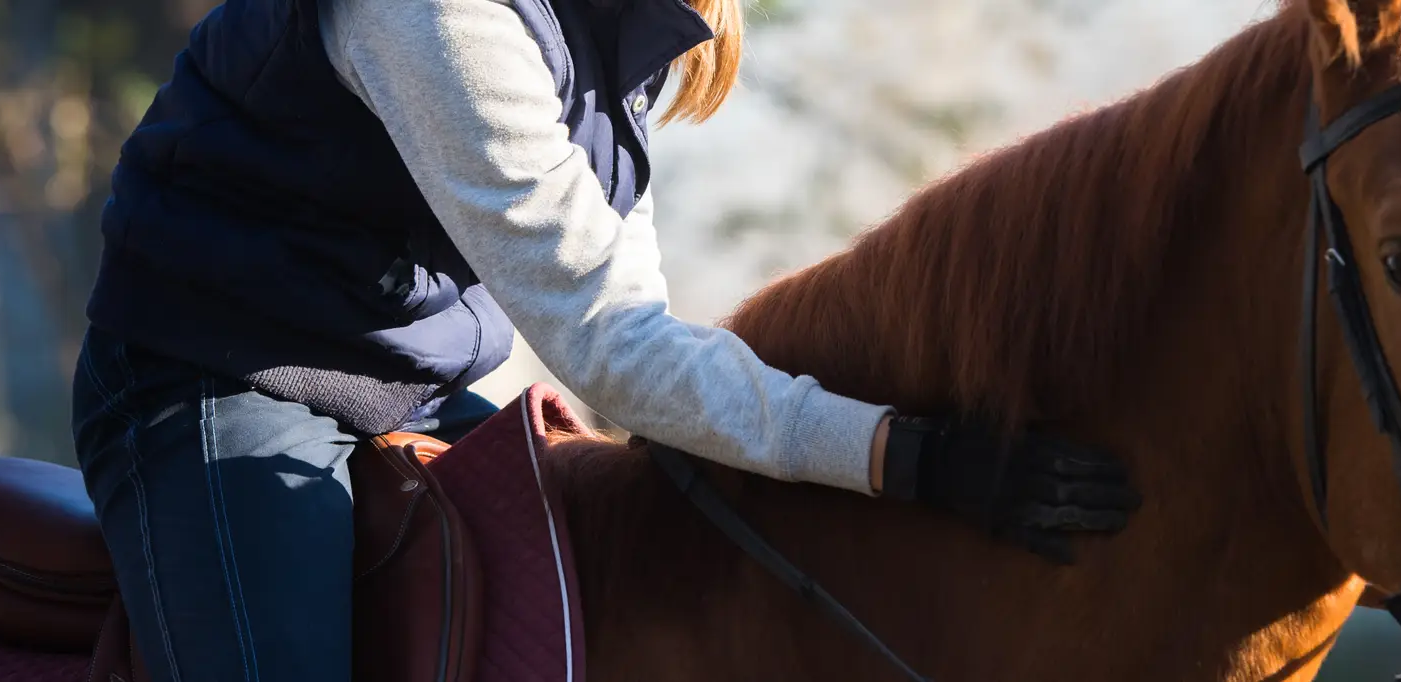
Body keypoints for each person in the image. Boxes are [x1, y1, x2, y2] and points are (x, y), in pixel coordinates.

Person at [69, 0, 1143, 679]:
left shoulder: (612, 31)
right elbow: (614, 349)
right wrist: (905, 456)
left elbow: (634, 314)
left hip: (408, 384)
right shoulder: (436, 17)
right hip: (219, 376)